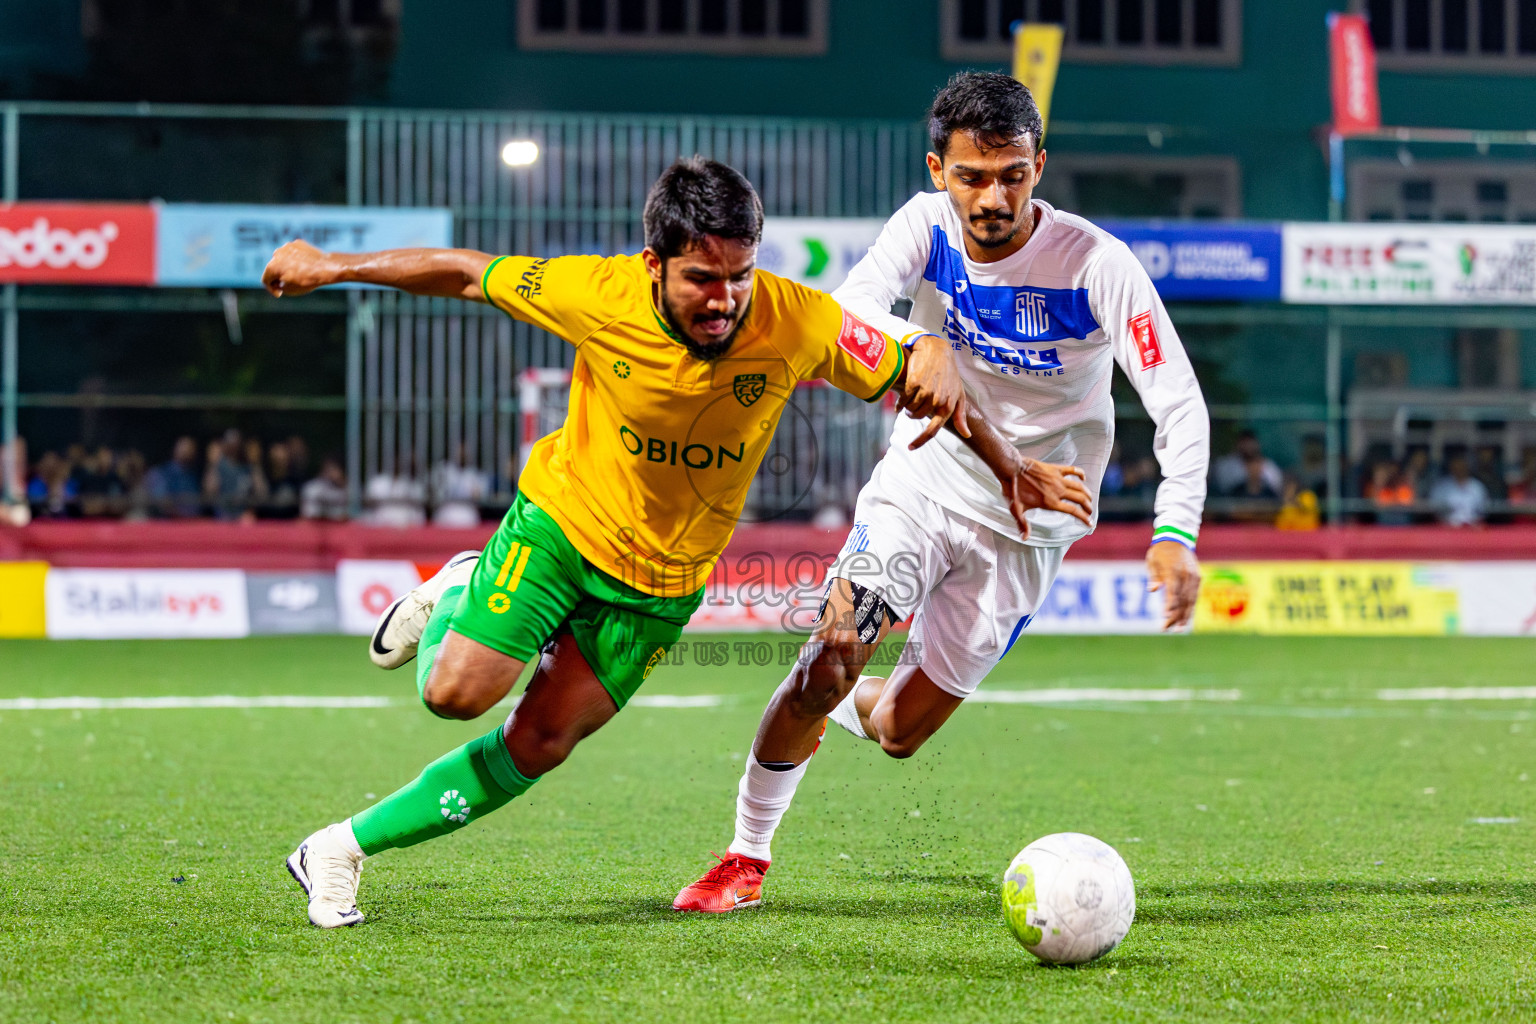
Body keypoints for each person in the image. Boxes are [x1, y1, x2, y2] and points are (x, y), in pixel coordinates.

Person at [263, 156, 1077, 929]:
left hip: (662, 585)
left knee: (540, 744)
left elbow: (917, 376)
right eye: (701, 278)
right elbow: (469, 272)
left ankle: (337, 849)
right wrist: (333, 265)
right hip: (561, 527)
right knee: (453, 695)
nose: (724, 298)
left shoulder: (797, 320)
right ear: (654, 263)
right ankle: (459, 589)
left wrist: (1005, 458)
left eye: (739, 275)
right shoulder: (596, 291)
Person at [672, 73, 1208, 913]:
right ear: (938, 170)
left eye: (1012, 174)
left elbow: (1176, 399)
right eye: (972, 175)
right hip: (923, 483)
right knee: (830, 657)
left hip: (1029, 529)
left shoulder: (1098, 264)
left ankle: (845, 708)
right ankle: (746, 856)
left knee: (898, 736)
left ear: (1040, 167)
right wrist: (921, 342)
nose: (992, 196)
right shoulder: (923, 229)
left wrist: (1174, 533)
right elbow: (845, 307)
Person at [1212, 428, 1280, 497]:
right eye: (1244, 442)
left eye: (1251, 442)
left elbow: (1275, 489)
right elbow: (1224, 488)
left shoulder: (1269, 467)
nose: (1248, 446)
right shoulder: (1226, 465)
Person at [147, 436, 203, 518]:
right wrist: (183, 517)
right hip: (168, 524)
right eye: (183, 447)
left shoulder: (194, 475)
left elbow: (199, 503)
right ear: (175, 449)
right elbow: (163, 503)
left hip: (192, 524)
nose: (186, 451)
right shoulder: (161, 473)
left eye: (190, 448)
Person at [1431, 451, 1488, 527]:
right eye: (1456, 465)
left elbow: (1483, 511)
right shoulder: (1441, 486)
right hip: (1447, 528)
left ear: (1467, 466)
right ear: (1451, 467)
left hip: (1472, 529)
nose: (1459, 468)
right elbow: (1434, 510)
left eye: (1461, 465)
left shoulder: (1477, 487)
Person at [300, 456, 349, 521]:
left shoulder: (349, 488)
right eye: (328, 469)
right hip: (315, 526)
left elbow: (350, 515)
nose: (331, 473)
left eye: (335, 469)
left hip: (340, 527)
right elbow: (309, 514)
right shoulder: (312, 487)